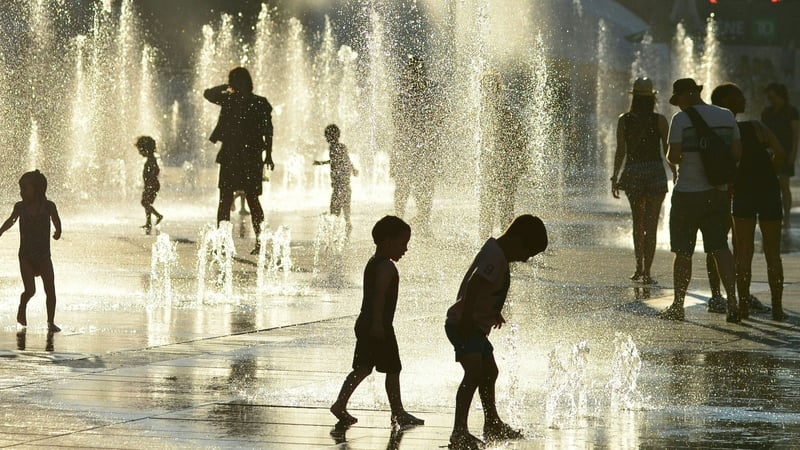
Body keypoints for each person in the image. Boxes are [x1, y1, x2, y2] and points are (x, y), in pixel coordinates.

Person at [445, 215, 548, 449]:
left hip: (474, 326)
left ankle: (492, 422)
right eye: (527, 253)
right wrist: (469, 319)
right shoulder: (495, 256)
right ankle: (458, 431)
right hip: (465, 325)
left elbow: (487, 288)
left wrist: (494, 311)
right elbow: (474, 284)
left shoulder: (497, 252)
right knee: (473, 374)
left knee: (489, 371)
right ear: (517, 240)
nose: (525, 259)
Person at [659, 78, 742, 323]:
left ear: (691, 94)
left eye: (679, 99)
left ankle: (678, 305)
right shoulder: (726, 116)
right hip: (717, 193)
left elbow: (673, 156)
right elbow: (737, 153)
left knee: (683, 251)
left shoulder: (681, 120)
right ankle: (733, 302)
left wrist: (681, 155)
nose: (678, 105)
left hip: (688, 194)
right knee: (720, 247)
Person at [330, 216, 424, 428]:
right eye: (402, 243)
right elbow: (379, 296)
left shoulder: (374, 263)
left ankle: (340, 404)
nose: (405, 249)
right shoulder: (386, 267)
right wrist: (378, 325)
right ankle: (398, 412)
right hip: (378, 324)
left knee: (363, 368)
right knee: (392, 368)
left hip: (368, 321)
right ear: (387, 242)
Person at [712, 83, 786, 321]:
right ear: (726, 101)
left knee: (742, 252)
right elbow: (781, 154)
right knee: (773, 253)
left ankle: (742, 306)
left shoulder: (718, 132)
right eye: (739, 96)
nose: (744, 99)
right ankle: (777, 308)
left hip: (742, 192)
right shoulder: (757, 127)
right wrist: (768, 172)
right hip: (768, 192)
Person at [611, 78, 675, 284]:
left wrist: (615, 176)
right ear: (652, 98)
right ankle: (647, 271)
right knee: (651, 224)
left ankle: (639, 267)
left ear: (634, 97)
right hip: (655, 173)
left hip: (633, 173)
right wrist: (675, 172)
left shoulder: (624, 120)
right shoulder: (660, 120)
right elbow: (668, 150)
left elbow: (621, 150)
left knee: (637, 224)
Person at [204, 67, 274, 254]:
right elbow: (207, 94)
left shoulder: (238, 100)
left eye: (233, 80)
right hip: (244, 156)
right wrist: (268, 155)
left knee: (232, 200)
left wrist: (269, 155)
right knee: (245, 199)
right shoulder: (254, 102)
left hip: (237, 156)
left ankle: (228, 243)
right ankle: (252, 242)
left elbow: (268, 131)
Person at [0, 170, 62, 332]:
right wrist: (0, 231)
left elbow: (56, 219)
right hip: (26, 256)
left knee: (50, 290)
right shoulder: (20, 207)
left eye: (25, 189)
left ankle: (50, 321)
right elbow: (11, 220)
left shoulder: (48, 206)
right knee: (30, 290)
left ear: (38, 189)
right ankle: (22, 306)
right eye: (21, 189)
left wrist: (58, 230)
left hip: (43, 256)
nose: (21, 192)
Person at [391, 56, 441, 237]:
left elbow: (398, 124)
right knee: (410, 187)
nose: (417, 75)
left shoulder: (406, 97)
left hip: (417, 149)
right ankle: (407, 222)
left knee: (419, 187)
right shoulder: (405, 96)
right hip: (413, 149)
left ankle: (418, 222)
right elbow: (398, 124)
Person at [479, 71, 531, 239]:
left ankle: (505, 242)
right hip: (493, 165)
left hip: (504, 166)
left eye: (490, 88)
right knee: (490, 205)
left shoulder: (504, 111)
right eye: (484, 88)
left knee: (504, 205)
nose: (486, 92)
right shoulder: (484, 112)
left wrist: (520, 162)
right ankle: (486, 241)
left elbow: (520, 138)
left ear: (497, 89)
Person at [761, 82, 798, 228]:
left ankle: (787, 216)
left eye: (772, 96)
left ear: (781, 96)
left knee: (784, 185)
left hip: (786, 151)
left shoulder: (791, 112)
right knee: (770, 185)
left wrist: (793, 154)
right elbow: (762, 132)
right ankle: (772, 213)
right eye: (768, 97)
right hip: (770, 152)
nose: (770, 99)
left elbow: (796, 135)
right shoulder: (767, 112)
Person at [313, 124, 358, 234]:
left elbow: (342, 161)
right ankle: (345, 227)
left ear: (330, 136)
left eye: (327, 135)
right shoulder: (339, 147)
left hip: (340, 183)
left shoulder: (336, 147)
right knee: (344, 207)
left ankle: (339, 231)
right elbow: (340, 160)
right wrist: (322, 163)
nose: (326, 138)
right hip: (343, 183)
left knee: (335, 209)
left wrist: (350, 170)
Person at [135, 136, 163, 235]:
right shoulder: (151, 158)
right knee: (146, 203)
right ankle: (148, 223)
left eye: (140, 150)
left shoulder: (151, 159)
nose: (139, 152)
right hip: (150, 184)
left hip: (152, 184)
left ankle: (158, 216)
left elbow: (156, 170)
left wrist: (151, 179)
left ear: (146, 149)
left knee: (145, 203)